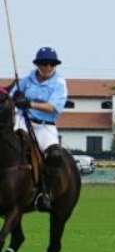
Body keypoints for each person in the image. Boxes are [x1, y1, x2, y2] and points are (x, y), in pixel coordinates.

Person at [12, 47, 68, 212]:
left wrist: (29, 103)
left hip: (44, 126)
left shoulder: (59, 83)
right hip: (22, 120)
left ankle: (44, 194)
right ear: (38, 64)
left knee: (55, 155)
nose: (48, 67)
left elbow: (53, 107)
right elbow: (12, 97)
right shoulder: (26, 80)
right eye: (44, 63)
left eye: (52, 64)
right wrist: (16, 98)